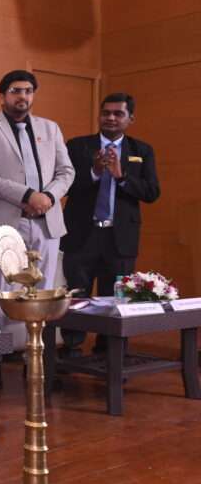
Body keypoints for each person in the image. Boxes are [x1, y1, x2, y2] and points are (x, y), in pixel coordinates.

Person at [0, 70, 74, 387]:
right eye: (16, 90)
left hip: (46, 222)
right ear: (2, 95)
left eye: (29, 91)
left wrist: (48, 198)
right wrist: (28, 196)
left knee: (41, 296)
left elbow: (66, 171)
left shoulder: (50, 128)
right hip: (4, 225)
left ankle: (36, 363)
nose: (23, 97)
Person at [61, 92, 160, 354]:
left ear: (130, 118)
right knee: (77, 295)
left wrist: (122, 176)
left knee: (116, 299)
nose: (111, 118)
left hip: (121, 238)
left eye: (118, 114)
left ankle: (109, 351)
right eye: (106, 113)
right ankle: (71, 350)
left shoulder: (142, 151)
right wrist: (94, 172)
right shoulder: (77, 146)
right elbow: (64, 186)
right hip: (82, 235)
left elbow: (152, 192)